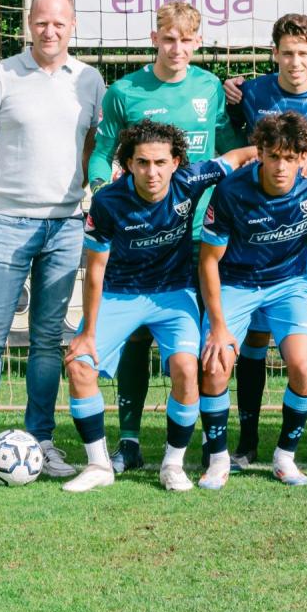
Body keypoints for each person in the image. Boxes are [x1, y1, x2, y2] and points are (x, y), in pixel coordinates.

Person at [0, 0, 105, 486]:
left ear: (73, 26)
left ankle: (40, 440)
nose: (49, 31)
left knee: (46, 341)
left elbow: (92, 147)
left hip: (66, 224)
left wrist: (78, 192)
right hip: (9, 224)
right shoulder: (0, 74)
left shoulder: (90, 80)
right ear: (29, 24)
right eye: (41, 22)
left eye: (59, 23)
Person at [85, 1, 235, 476]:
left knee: (202, 342)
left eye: (186, 40)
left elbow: (229, 146)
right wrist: (101, 191)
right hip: (139, 231)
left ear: (198, 43)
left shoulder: (210, 86)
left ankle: (211, 445)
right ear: (155, 39)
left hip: (199, 232)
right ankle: (129, 440)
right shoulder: (124, 90)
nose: (177, 48)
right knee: (135, 337)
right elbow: (103, 151)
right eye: (169, 39)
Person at [59, 121, 236, 494]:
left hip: (174, 292)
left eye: (160, 162)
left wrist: (293, 159)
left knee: (186, 368)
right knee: (79, 364)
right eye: (142, 162)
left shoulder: (191, 180)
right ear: (128, 164)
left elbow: (237, 157)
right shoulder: (108, 202)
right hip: (119, 293)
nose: (151, 172)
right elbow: (95, 271)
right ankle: (98, 465)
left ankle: (173, 465)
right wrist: (87, 332)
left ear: (176, 162)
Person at [227, 13, 307, 470]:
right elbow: (234, 140)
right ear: (274, 53)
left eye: (303, 53)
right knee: (255, 335)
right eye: (286, 53)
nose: (295, 61)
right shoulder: (251, 92)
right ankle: (246, 439)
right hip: (257, 234)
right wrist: (229, 88)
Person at [195, 111, 307, 488]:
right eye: (273, 156)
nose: (281, 166)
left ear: (303, 156)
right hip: (236, 284)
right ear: (259, 153)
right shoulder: (232, 191)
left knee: (305, 366)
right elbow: (208, 261)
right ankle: (218, 459)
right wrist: (218, 327)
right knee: (215, 364)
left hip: (288, 284)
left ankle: (284, 457)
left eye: (290, 157)